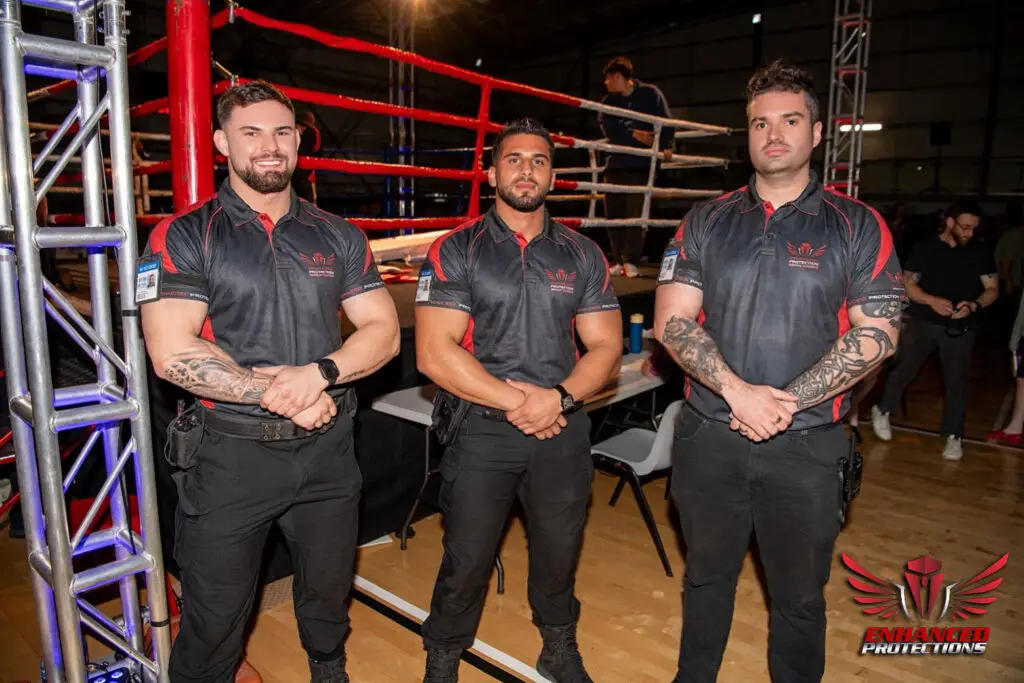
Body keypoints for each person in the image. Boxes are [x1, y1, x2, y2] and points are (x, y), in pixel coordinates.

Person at [140, 80, 400, 683]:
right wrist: (284, 396)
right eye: (251, 132)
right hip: (231, 456)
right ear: (221, 143)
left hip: (329, 451)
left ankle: (328, 670)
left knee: (329, 592)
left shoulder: (338, 234)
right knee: (214, 617)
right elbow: (172, 352)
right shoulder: (185, 234)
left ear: (299, 143)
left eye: (282, 132)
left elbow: (383, 331)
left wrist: (318, 374)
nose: (269, 145)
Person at [653, 59, 903, 683]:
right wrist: (739, 394)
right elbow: (672, 322)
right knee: (705, 580)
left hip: (808, 446)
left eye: (789, 121)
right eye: (760, 123)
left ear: (816, 133)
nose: (773, 134)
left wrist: (780, 403)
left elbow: (878, 335)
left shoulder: (857, 225)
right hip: (711, 436)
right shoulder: (706, 220)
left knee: (798, 598)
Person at [414, 117, 623, 683]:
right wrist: (521, 401)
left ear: (552, 176)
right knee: (467, 555)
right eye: (513, 159)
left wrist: (558, 398)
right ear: (491, 173)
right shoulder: (458, 248)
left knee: (559, 550)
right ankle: (443, 655)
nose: (526, 170)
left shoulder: (582, 253)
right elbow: (434, 353)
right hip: (482, 428)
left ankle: (557, 646)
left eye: (538, 161)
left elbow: (606, 346)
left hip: (561, 426)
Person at [871, 201, 997, 460]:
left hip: (960, 326)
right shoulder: (925, 248)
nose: (970, 233)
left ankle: (954, 435)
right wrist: (931, 300)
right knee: (904, 370)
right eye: (965, 227)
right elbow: (907, 283)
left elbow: (992, 289)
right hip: (923, 321)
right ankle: (883, 409)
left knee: (956, 382)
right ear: (949, 222)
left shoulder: (980, 251)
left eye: (974, 228)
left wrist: (974, 305)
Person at [599, 56, 675, 278]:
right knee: (613, 216)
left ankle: (630, 260)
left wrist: (666, 145)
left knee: (634, 215)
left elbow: (666, 122)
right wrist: (634, 134)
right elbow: (609, 129)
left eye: (608, 79)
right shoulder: (608, 102)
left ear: (618, 76)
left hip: (640, 165)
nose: (606, 84)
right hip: (615, 164)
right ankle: (618, 260)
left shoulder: (650, 94)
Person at [292, 109, 322, 203]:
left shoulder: (311, 131)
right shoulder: (312, 131)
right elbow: (317, 149)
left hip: (300, 172)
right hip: (301, 173)